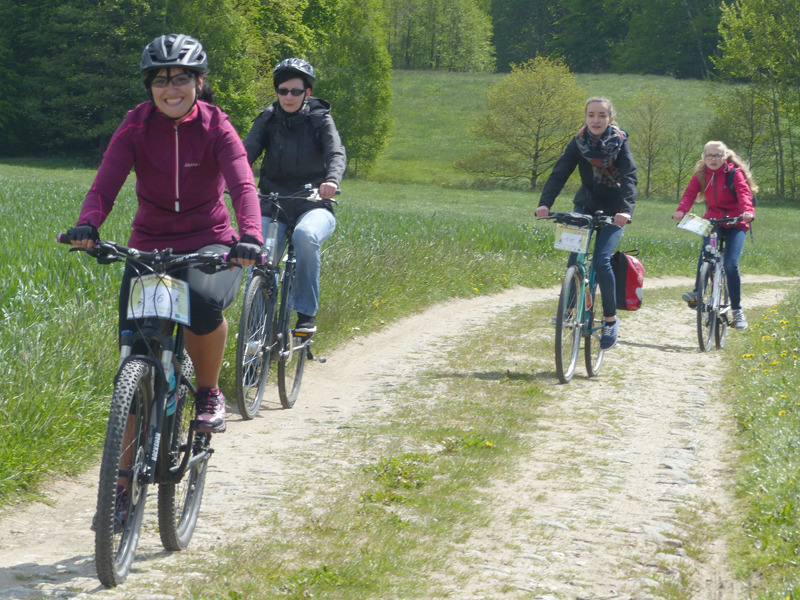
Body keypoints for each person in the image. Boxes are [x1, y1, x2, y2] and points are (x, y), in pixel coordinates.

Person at [67, 33, 263, 434]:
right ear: (149, 87)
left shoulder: (216, 126)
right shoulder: (135, 125)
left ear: (199, 82)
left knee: (202, 301)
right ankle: (122, 483)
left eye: (180, 78)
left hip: (209, 241)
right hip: (150, 242)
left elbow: (242, 185)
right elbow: (105, 183)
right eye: (160, 80)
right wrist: (89, 223)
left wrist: (252, 237)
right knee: (136, 345)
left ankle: (209, 392)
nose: (170, 89)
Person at [243, 58, 346, 334]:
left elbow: (336, 153)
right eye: (283, 91)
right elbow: (245, 154)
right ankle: (255, 323)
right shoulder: (267, 118)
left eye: (296, 91)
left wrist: (332, 181)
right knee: (258, 253)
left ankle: (304, 314)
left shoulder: (320, 119)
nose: (289, 96)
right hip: (274, 204)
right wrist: (236, 179)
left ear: (307, 93)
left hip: (314, 203)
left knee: (306, 236)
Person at [536, 97, 637, 350]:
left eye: (601, 115)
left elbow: (629, 177)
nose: (595, 120)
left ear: (610, 119)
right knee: (574, 258)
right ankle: (569, 310)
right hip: (585, 205)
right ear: (585, 117)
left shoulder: (620, 143)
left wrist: (625, 210)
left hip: (615, 211)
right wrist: (544, 203)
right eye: (591, 114)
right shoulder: (578, 142)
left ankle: (611, 320)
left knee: (603, 259)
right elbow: (560, 171)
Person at [672, 140, 756, 330]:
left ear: (724, 156)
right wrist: (681, 211)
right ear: (704, 157)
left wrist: (748, 213)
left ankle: (737, 310)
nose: (713, 159)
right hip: (713, 221)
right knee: (706, 255)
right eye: (709, 155)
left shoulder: (734, 173)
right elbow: (689, 194)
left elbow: (744, 194)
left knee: (730, 264)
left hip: (736, 222)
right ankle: (697, 291)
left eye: (717, 155)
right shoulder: (701, 174)